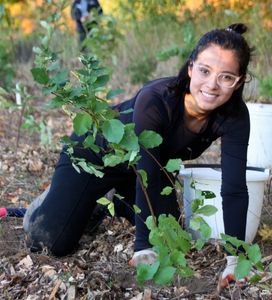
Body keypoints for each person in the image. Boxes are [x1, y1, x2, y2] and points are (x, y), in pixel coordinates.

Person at [23, 23, 253, 287]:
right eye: (204, 71)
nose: (212, 85)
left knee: (171, 239)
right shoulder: (156, 99)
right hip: (96, 158)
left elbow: (234, 188)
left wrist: (236, 258)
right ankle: (53, 200)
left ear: (239, 81)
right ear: (190, 68)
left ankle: (110, 202)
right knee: (51, 243)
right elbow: (148, 174)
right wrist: (143, 246)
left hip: (145, 171)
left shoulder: (235, 116)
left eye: (226, 77)